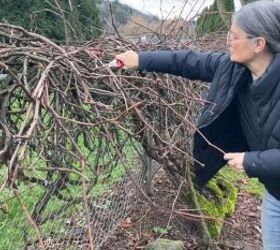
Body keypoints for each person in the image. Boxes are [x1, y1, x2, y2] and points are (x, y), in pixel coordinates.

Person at [114, 1, 280, 249]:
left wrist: (250, 161)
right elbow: (187, 61)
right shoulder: (234, 69)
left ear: (259, 44)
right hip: (275, 196)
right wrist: (140, 59)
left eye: (233, 36)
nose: (228, 41)